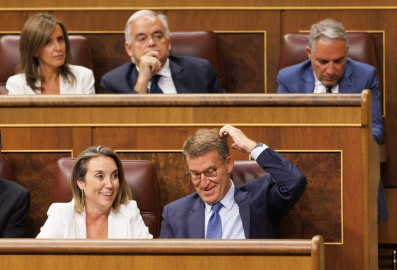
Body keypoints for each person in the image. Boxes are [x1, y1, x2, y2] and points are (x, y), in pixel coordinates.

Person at [276, 18, 388, 222]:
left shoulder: (366, 76)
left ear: (347, 52)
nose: (330, 70)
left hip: (352, 161)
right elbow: (283, 131)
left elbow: (376, 130)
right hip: (304, 161)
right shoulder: (288, 78)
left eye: (338, 61)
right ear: (309, 54)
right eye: (322, 62)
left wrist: (346, 144)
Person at [160, 125, 307, 239]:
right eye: (195, 174)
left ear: (228, 164)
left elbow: (294, 181)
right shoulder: (174, 214)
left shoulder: (261, 198)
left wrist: (251, 147)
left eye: (210, 171)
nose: (203, 183)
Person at [37, 146, 152, 239]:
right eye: (100, 176)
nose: (110, 185)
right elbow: (40, 257)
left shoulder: (129, 211)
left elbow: (149, 258)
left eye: (114, 176)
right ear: (81, 183)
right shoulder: (60, 214)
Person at [100, 10, 225, 94]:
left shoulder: (201, 71)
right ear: (129, 49)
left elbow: (223, 114)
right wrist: (142, 80)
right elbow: (121, 126)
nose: (151, 43)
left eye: (158, 36)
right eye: (142, 39)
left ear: (168, 43)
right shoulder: (113, 82)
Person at [6, 13, 95, 95]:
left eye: (60, 39)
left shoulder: (84, 77)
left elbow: (89, 113)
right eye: (48, 42)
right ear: (34, 51)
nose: (58, 48)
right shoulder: (17, 84)